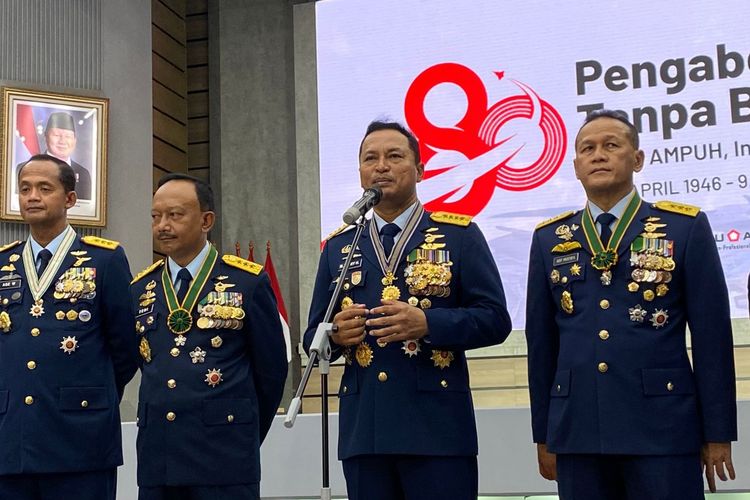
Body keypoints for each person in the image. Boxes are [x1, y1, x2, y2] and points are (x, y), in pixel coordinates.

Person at [525, 109, 737, 499]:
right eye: (587, 148)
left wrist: (717, 432)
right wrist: (544, 433)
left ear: (637, 159)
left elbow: (713, 339)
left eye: (611, 145)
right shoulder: (549, 238)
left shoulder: (683, 228)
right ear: (576, 167)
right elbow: (542, 346)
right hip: (577, 430)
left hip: (663, 427)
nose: (598, 155)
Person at [304, 121, 512, 500]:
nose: (381, 166)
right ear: (361, 172)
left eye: (394, 156)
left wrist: (428, 323)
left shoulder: (458, 235)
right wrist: (335, 334)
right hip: (365, 431)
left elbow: (495, 320)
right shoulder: (338, 247)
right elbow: (312, 338)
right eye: (371, 158)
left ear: (420, 170)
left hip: (437, 430)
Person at [132, 173, 287, 500]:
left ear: (206, 220)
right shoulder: (141, 288)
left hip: (224, 455)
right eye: (156, 216)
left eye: (175, 215)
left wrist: (241, 430)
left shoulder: (247, 282)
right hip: (159, 456)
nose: (162, 225)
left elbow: (271, 372)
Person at [0, 153, 137, 500]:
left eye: (44, 188)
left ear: (70, 199)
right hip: (11, 438)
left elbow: (126, 348)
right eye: (25, 189)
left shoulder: (105, 259)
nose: (32, 196)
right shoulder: (3, 262)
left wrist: (91, 393)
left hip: (80, 437)